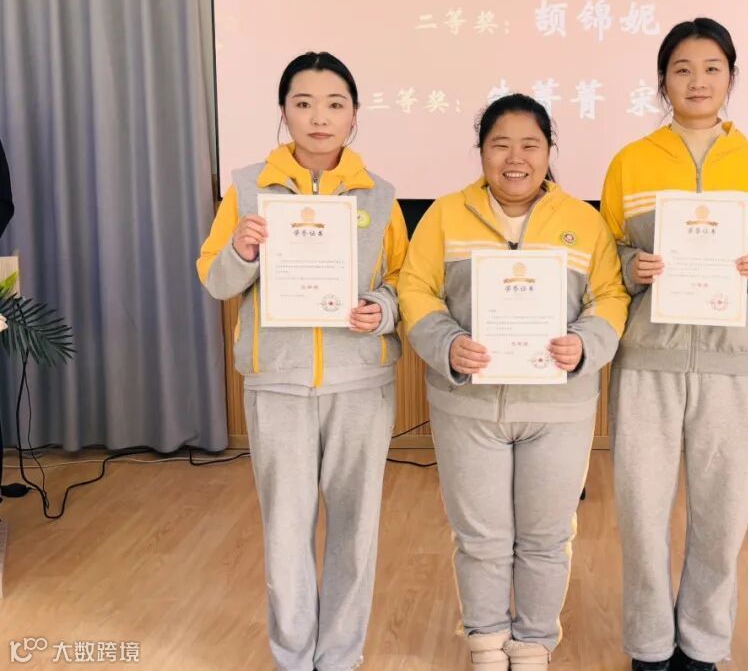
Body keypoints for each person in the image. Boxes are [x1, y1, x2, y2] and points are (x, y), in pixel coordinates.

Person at [397, 93, 629, 670]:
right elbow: (415, 289)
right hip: (468, 407)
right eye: (500, 144)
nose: (515, 158)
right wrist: (447, 343)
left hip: (559, 409)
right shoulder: (445, 215)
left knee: (547, 536)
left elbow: (610, 296)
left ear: (550, 152)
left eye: (530, 144)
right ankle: (485, 642)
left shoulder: (584, 221)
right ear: (481, 151)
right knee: (479, 535)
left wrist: (585, 343)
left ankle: (532, 644)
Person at [196, 51, 408, 671]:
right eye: (304, 103)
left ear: (355, 115)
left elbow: (404, 281)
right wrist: (241, 250)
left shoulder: (381, 195)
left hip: (360, 384)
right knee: (286, 531)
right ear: (284, 112)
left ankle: (339, 656)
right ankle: (293, 656)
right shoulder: (247, 188)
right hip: (278, 385)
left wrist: (381, 309)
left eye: (335, 104)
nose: (320, 118)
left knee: (355, 529)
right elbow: (215, 280)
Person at [600, 18, 748, 671]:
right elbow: (606, 255)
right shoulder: (631, 160)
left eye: (711, 68)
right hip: (648, 362)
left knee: (723, 515)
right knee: (641, 514)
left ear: (731, 77)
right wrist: (633, 266)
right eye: (682, 68)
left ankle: (703, 645)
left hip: (730, 365)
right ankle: (650, 646)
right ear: (662, 81)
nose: (697, 81)